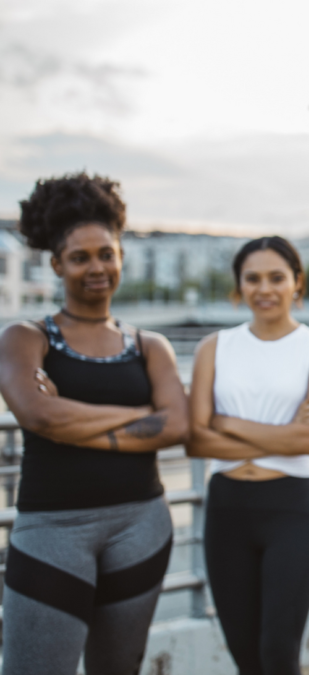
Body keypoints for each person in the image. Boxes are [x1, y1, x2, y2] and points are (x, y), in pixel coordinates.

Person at [0, 173, 189, 675]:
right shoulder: (26, 338)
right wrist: (139, 417)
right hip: (53, 528)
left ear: (121, 255)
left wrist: (72, 418)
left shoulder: (149, 346)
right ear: (57, 263)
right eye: (80, 257)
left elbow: (176, 426)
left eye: (106, 253)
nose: (96, 267)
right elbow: (39, 415)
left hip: (140, 524)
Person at [185, 236, 309, 675]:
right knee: (245, 657)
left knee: (277, 652)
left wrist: (226, 421)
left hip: (293, 510)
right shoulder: (214, 348)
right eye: (252, 278)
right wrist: (284, 432)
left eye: (277, 277)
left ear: (297, 283)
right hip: (227, 510)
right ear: (239, 286)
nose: (264, 288)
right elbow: (196, 441)